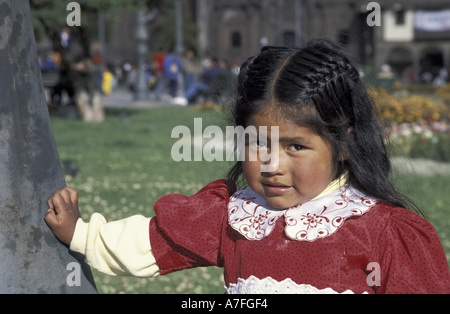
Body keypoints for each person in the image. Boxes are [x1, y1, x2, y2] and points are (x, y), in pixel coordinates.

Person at [45, 39, 450, 294]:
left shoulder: (383, 232)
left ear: (344, 141)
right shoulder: (236, 215)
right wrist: (81, 234)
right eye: (257, 144)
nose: (272, 165)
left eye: (296, 146)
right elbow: (150, 245)